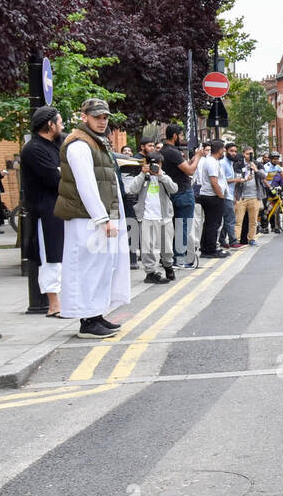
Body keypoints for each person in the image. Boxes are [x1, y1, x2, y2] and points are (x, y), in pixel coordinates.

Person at [53, 98, 132, 338]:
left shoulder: (97, 142)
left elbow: (108, 183)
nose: (102, 121)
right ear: (84, 116)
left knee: (101, 267)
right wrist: (102, 218)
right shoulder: (79, 144)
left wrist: (113, 216)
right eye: (97, 117)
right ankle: (87, 321)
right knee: (86, 268)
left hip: (99, 217)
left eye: (105, 117)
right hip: (86, 218)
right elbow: (86, 185)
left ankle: (95, 314)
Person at [19, 106, 66, 314]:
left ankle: (63, 301)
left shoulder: (57, 144)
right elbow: (56, 178)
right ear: (50, 124)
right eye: (60, 121)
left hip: (60, 207)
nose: (63, 125)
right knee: (50, 256)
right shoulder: (33, 149)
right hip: (44, 210)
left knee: (61, 255)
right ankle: (53, 305)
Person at [127, 150, 179, 283]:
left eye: (159, 164)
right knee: (147, 247)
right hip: (146, 217)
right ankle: (150, 273)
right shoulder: (143, 177)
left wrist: (161, 175)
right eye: (153, 164)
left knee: (167, 247)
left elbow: (174, 189)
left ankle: (168, 266)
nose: (156, 167)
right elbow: (132, 190)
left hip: (164, 217)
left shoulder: (164, 177)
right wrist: (142, 173)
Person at [160, 123, 207, 265]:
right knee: (183, 226)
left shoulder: (163, 151)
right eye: (180, 135)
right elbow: (190, 171)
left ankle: (172, 256)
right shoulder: (173, 152)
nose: (181, 138)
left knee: (174, 226)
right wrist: (198, 157)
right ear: (174, 136)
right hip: (183, 192)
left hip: (171, 192)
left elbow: (182, 167)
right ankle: (179, 258)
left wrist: (191, 160)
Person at [196, 140, 228, 258]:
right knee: (214, 224)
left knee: (209, 224)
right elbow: (214, 182)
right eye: (223, 149)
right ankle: (210, 250)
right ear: (219, 150)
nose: (224, 151)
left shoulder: (212, 161)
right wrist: (221, 197)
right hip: (212, 196)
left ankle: (206, 248)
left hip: (209, 196)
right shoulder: (211, 162)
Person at [235, 149, 261, 245]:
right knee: (238, 221)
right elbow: (237, 178)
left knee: (253, 221)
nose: (249, 155)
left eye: (251, 153)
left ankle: (252, 239)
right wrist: (245, 178)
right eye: (247, 154)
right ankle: (236, 240)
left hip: (254, 196)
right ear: (243, 154)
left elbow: (263, 176)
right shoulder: (238, 164)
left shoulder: (257, 164)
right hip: (242, 196)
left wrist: (256, 170)